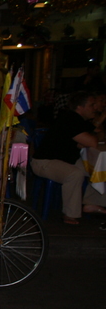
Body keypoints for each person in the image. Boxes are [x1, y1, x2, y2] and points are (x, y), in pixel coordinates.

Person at [31, 91, 106, 224]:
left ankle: (91, 203)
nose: (94, 108)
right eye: (91, 104)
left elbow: (92, 136)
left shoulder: (79, 120)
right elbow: (92, 141)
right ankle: (70, 214)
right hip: (45, 162)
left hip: (63, 160)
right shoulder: (70, 119)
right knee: (74, 174)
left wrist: (95, 135)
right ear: (80, 107)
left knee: (95, 168)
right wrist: (96, 136)